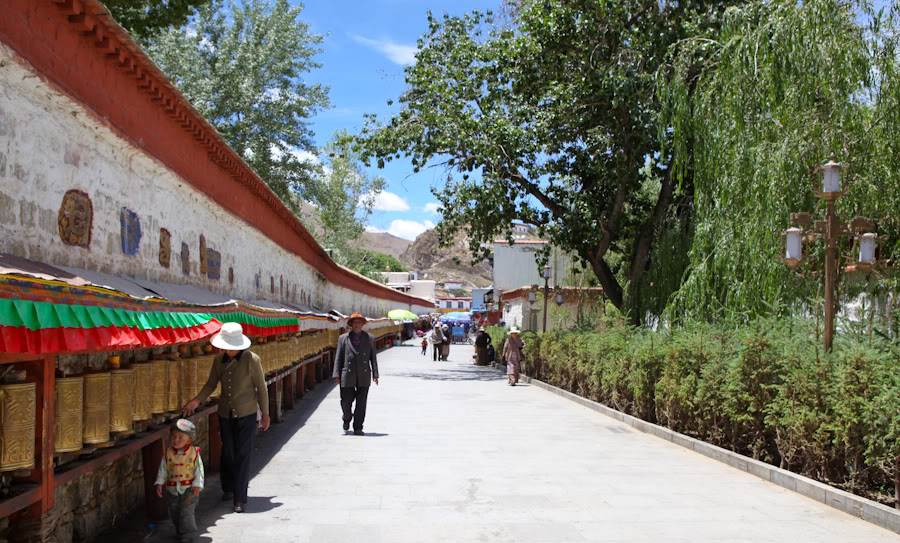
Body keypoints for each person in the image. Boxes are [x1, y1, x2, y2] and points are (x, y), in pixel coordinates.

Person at [183, 322, 269, 513]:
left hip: (246, 413)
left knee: (242, 455)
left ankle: (240, 499)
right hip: (225, 413)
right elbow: (211, 384)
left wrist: (265, 413)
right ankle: (228, 487)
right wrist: (196, 401)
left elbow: (261, 388)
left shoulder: (251, 359)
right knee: (228, 453)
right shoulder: (218, 360)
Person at [155, 419, 203, 543]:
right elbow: (163, 469)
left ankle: (189, 534)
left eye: (180, 437)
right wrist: (160, 482)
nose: (176, 440)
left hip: (189, 490)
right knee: (174, 511)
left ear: (189, 440)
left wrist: (197, 484)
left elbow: (199, 470)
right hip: (172, 490)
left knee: (186, 510)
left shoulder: (194, 453)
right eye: (174, 437)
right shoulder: (168, 453)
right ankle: (181, 531)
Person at [333, 313, 380, 435]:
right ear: (351, 324)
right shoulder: (343, 338)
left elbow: (373, 358)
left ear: (363, 324)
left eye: (359, 322)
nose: (357, 324)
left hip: (364, 374)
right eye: (355, 322)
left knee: (361, 403)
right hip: (347, 374)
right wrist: (336, 374)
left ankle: (358, 427)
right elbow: (339, 357)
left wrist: (375, 373)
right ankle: (346, 417)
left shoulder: (369, 338)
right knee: (345, 401)